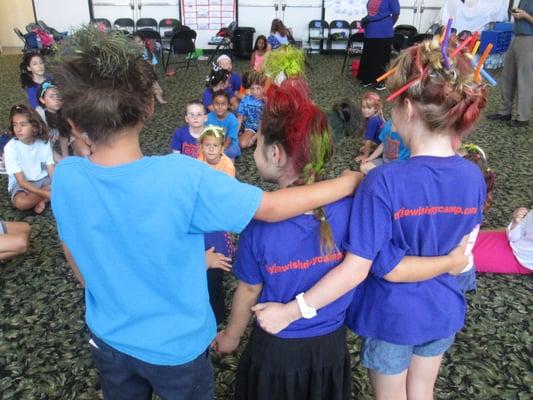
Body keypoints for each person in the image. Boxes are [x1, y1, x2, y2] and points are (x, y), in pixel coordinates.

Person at [49, 26, 360, 400]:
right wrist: (348, 183)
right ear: (150, 107)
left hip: (109, 338)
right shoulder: (183, 175)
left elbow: (75, 258)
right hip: (179, 348)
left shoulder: (65, 176)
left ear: (73, 123)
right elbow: (272, 208)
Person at [251, 37, 488, 400]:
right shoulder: (473, 175)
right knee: (423, 390)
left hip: (395, 318)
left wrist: (291, 312)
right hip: (444, 311)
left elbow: (361, 269)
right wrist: (450, 262)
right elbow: (463, 255)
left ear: (407, 109)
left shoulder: (384, 181)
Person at [197, 125, 236, 324]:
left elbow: (225, 191)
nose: (211, 149)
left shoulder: (227, 164)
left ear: (222, 147)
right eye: (207, 145)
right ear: (202, 147)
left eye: (215, 146)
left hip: (218, 211)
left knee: (218, 244)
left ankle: (218, 316)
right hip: (203, 211)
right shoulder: (199, 161)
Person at [486, 1, 533, 128]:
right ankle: (504, 112)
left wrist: (525, 16)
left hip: (529, 39)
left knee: (524, 79)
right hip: (516, 37)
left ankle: (522, 117)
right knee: (507, 76)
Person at [4, 104, 54, 214]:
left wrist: (56, 183)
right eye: (15, 125)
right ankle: (46, 197)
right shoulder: (10, 148)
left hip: (44, 180)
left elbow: (51, 171)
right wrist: (45, 193)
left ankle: (44, 199)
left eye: (23, 124)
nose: (18, 129)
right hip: (21, 184)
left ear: (35, 127)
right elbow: (21, 182)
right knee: (21, 202)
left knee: (61, 182)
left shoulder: (44, 143)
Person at [36, 80, 93, 161]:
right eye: (52, 96)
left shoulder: (60, 112)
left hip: (49, 150)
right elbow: (43, 146)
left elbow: (63, 135)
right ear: (42, 100)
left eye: (58, 96)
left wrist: (65, 158)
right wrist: (61, 161)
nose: (57, 100)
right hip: (39, 153)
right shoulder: (40, 116)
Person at [472, 206, 532, 275]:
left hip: (521, 259)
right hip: (515, 242)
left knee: (466, 258)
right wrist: (516, 223)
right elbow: (514, 235)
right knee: (466, 238)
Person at [357, 0, 400, 90]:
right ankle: (368, 79)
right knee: (370, 56)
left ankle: (380, 81)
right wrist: (366, 19)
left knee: (379, 57)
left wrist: (388, 24)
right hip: (371, 31)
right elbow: (373, 13)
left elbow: (396, 14)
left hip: (382, 32)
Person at [133, 32, 168, 105]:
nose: (137, 44)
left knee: (160, 91)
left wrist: (152, 73)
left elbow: (154, 64)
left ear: (143, 42)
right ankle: (158, 99)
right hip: (139, 75)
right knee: (154, 91)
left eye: (139, 42)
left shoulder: (148, 52)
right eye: (135, 42)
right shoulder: (133, 54)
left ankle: (153, 96)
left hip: (149, 75)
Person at [206, 90, 240, 160]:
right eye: (217, 104)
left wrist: (219, 151)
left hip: (229, 145)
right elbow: (205, 136)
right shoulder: (207, 117)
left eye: (223, 104)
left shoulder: (232, 119)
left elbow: (228, 141)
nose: (220, 107)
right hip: (213, 143)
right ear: (212, 104)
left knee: (232, 151)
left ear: (228, 105)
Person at [237, 71, 265, 149]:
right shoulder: (246, 100)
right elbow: (240, 118)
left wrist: (254, 138)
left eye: (258, 88)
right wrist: (234, 136)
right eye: (252, 89)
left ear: (264, 87)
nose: (255, 92)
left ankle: (256, 139)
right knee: (242, 144)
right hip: (251, 127)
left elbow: (265, 123)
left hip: (265, 129)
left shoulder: (267, 101)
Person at [356, 91, 385, 161]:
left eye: (369, 108)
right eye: (363, 107)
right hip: (384, 141)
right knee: (364, 142)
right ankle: (374, 147)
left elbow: (368, 141)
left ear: (375, 109)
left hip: (385, 147)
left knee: (366, 142)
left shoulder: (373, 122)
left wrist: (365, 156)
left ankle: (373, 151)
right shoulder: (376, 116)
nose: (365, 110)